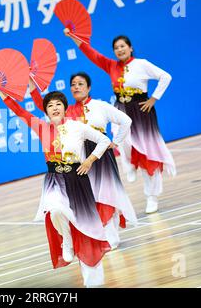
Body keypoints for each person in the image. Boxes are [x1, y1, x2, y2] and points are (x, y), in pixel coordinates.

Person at [0, 80, 113, 287]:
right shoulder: (41, 127)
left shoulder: (78, 127)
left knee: (86, 228)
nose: (55, 107)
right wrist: (0, 91)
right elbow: (18, 110)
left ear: (65, 108)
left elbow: (104, 141)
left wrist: (89, 160)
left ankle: (93, 280)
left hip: (77, 179)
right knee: (55, 210)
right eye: (50, 105)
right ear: (46, 111)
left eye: (58, 104)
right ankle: (66, 240)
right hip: (54, 179)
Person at [64, 29, 176, 214]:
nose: (119, 50)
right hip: (120, 107)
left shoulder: (142, 64)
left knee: (149, 153)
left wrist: (154, 98)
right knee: (120, 139)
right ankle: (130, 163)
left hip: (142, 110)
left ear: (130, 48)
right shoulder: (111, 66)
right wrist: (73, 37)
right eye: (116, 48)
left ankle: (152, 196)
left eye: (123, 46)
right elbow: (92, 54)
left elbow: (165, 77)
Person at [28, 73, 137, 249]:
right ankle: (96, 235)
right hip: (79, 159)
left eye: (81, 84)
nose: (76, 87)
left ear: (89, 87)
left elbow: (125, 121)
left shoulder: (100, 106)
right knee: (90, 196)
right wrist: (30, 81)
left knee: (107, 194)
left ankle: (112, 234)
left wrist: (115, 142)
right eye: (73, 84)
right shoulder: (67, 110)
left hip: (100, 157)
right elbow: (41, 103)